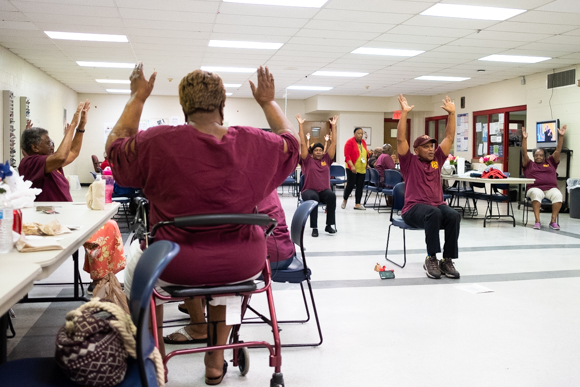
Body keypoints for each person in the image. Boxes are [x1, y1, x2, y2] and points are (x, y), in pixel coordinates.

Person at [106, 63, 299, 384]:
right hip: (243, 262)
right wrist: (268, 102)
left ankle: (152, 358)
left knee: (135, 263)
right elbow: (293, 144)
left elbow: (115, 148)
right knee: (225, 284)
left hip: (175, 263)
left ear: (183, 106)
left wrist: (136, 99)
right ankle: (216, 357)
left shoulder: (156, 142)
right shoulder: (254, 142)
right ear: (223, 104)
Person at [164, 189, 296, 344]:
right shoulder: (259, 173)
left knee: (187, 251)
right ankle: (199, 303)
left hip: (261, 252)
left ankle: (198, 326)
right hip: (283, 248)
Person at [19, 101, 126, 292]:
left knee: (109, 225)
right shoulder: (31, 163)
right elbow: (61, 155)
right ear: (35, 148)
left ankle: (102, 278)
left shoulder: (47, 162)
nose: (52, 144)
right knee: (107, 228)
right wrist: (72, 125)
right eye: (48, 141)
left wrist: (81, 128)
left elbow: (73, 152)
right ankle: (100, 280)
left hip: (64, 218)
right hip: (50, 224)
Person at [396, 94, 461, 280]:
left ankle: (446, 259)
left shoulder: (438, 160)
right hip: (413, 209)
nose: (431, 149)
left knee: (453, 214)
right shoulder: (409, 161)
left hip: (435, 206)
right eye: (426, 147)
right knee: (434, 213)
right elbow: (401, 140)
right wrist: (404, 113)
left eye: (432, 145)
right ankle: (431, 257)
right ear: (416, 150)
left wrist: (452, 114)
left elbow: (449, 136)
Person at [296, 114, 338, 237]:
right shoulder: (307, 160)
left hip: (324, 191)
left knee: (331, 196)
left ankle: (329, 225)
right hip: (308, 190)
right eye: (316, 150)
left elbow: (333, 143)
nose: (319, 152)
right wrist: (301, 125)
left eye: (320, 150)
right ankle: (314, 227)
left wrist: (333, 126)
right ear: (312, 152)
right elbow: (303, 144)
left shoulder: (327, 159)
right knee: (313, 198)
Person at [521, 125, 566, 230]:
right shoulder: (529, 164)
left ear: (545, 156)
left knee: (558, 195)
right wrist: (524, 139)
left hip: (550, 188)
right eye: (536, 155)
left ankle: (553, 221)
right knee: (536, 193)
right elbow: (524, 154)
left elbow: (558, 151)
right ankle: (537, 221)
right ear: (533, 156)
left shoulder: (551, 162)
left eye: (541, 155)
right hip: (534, 188)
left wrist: (561, 136)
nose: (538, 157)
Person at [342, 127, 369, 210]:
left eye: (361, 133)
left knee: (360, 186)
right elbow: (347, 156)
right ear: (354, 134)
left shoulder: (363, 142)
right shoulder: (349, 142)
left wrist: (366, 163)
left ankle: (357, 204)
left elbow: (364, 153)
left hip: (362, 168)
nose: (360, 135)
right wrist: (352, 166)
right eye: (358, 133)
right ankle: (345, 200)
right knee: (350, 184)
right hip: (352, 167)